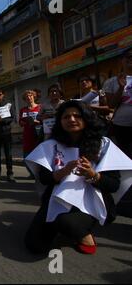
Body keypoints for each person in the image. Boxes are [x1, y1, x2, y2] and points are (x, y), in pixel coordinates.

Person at [24, 101, 132, 255]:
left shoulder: (103, 144)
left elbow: (113, 185)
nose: (72, 119)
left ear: (87, 118)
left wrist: (92, 174)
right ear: (60, 122)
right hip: (57, 198)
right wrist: (63, 172)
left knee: (65, 222)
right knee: (35, 245)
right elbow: (44, 178)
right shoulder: (51, 146)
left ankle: (83, 233)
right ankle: (62, 229)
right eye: (66, 117)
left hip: (92, 201)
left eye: (77, 115)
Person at [103, 46, 132, 159]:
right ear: (122, 60)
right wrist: (121, 88)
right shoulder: (111, 82)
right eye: (128, 56)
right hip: (122, 127)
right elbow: (111, 105)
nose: (131, 59)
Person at [19, 90, 42, 178]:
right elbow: (20, 122)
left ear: (34, 97)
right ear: (25, 99)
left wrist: (37, 121)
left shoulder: (40, 107)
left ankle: (39, 173)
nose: (29, 97)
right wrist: (25, 122)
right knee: (26, 157)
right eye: (27, 96)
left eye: (30, 95)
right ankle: (32, 172)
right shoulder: (23, 110)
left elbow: (43, 119)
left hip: (38, 134)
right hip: (27, 135)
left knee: (39, 155)